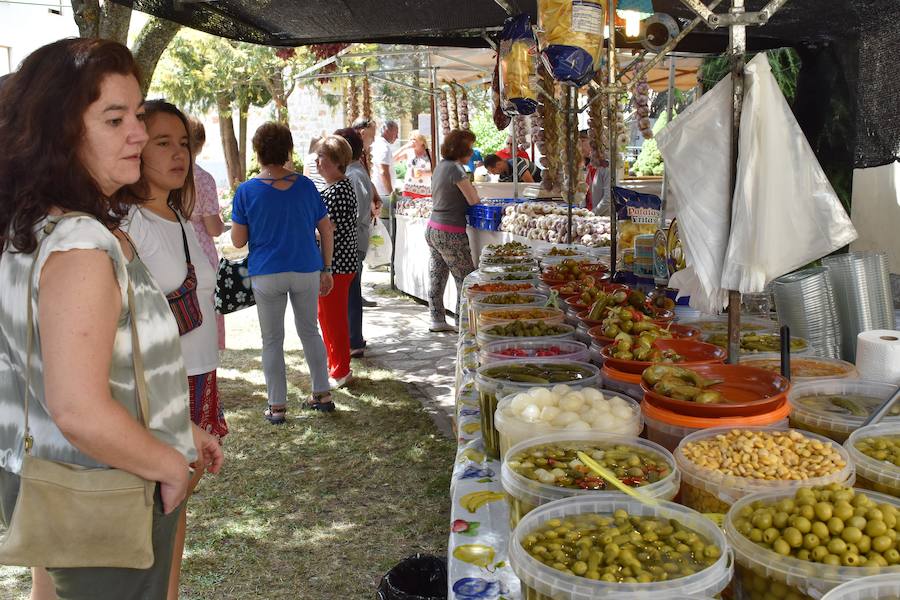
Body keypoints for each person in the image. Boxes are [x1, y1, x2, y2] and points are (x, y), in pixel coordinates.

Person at [0, 38, 222, 599]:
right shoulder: (80, 245)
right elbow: (78, 407)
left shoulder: (35, 227)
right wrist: (168, 464)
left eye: (138, 115)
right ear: (62, 131)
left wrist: (174, 424)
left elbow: (73, 369)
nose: (139, 135)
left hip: (55, 476)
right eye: (114, 118)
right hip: (102, 488)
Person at [120, 100, 226, 600]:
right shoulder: (124, 223)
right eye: (162, 142)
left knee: (177, 507)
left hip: (200, 375)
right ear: (137, 147)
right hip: (160, 383)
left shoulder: (180, 217)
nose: (177, 153)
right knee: (148, 510)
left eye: (182, 142)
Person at [230, 122, 336, 416]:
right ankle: (322, 394)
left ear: (257, 151)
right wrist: (327, 267)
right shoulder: (305, 185)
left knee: (272, 340)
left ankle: (277, 405)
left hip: (267, 272)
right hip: (306, 269)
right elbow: (326, 230)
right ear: (287, 149)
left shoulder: (246, 191)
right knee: (310, 332)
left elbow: (238, 241)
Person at [426, 129, 481, 333]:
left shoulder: (441, 166)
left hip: (433, 227)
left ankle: (437, 318)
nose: (472, 151)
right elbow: (473, 199)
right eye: (470, 147)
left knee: (437, 275)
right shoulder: (456, 169)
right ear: (463, 149)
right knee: (466, 277)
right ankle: (463, 323)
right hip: (450, 231)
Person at [315, 135, 359, 388]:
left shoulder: (338, 190)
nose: (318, 163)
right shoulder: (338, 187)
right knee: (327, 317)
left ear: (335, 162)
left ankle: (341, 369)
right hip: (337, 264)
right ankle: (336, 366)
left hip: (337, 265)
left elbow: (326, 229)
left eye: (323, 158)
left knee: (333, 320)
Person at [187, 115, 227, 350]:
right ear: (201, 143)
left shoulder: (161, 176)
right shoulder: (202, 178)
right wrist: (221, 225)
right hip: (200, 251)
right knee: (206, 310)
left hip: (169, 248)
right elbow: (213, 227)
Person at [335, 127, 375, 358]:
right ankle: (353, 338)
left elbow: (357, 211)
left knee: (351, 291)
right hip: (353, 239)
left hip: (353, 241)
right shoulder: (354, 172)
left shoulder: (353, 175)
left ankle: (354, 340)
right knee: (351, 291)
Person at [394, 129, 432, 198]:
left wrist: (423, 172)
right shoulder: (409, 152)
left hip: (426, 191)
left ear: (422, 141)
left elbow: (436, 171)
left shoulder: (430, 153)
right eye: (410, 140)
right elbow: (392, 159)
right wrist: (404, 147)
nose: (411, 142)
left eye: (414, 139)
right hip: (408, 190)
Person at [370, 119, 399, 197]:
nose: (397, 137)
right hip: (383, 194)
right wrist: (391, 194)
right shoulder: (384, 147)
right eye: (396, 133)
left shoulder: (377, 143)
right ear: (387, 131)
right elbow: (383, 171)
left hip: (379, 192)